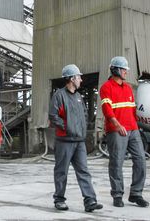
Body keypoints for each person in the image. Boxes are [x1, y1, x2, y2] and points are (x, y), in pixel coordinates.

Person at [48, 64, 103, 213]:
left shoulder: (78, 97)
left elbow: (84, 115)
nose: (81, 79)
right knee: (61, 172)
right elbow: (53, 116)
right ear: (72, 79)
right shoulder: (59, 95)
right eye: (78, 77)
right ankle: (59, 199)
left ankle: (90, 200)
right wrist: (67, 127)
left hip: (79, 142)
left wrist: (81, 130)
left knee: (84, 171)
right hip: (64, 141)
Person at [99, 56, 149, 208]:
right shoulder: (106, 87)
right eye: (124, 70)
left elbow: (132, 109)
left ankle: (136, 194)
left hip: (133, 129)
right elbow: (107, 110)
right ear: (115, 70)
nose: (126, 72)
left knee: (140, 160)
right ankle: (117, 195)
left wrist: (136, 127)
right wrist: (117, 125)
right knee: (116, 162)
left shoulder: (128, 88)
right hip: (117, 130)